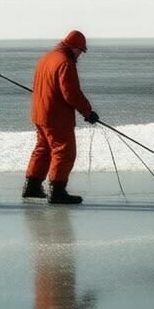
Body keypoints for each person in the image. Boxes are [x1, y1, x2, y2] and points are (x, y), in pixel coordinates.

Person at [23, 30, 99, 205]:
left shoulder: (46, 58)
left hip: (39, 112)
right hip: (56, 116)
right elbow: (71, 93)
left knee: (43, 148)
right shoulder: (65, 62)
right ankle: (57, 191)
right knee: (64, 151)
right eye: (81, 50)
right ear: (73, 47)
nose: (80, 54)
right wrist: (88, 112)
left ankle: (32, 187)